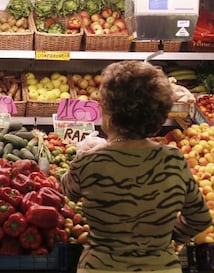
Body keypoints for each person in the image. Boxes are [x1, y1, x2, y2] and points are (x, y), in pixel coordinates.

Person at [61, 60, 212, 273]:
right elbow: (200, 218)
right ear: (159, 115)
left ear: (107, 112)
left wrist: (80, 156)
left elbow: (66, 190)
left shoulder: (90, 161)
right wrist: (167, 235)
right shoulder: (174, 160)